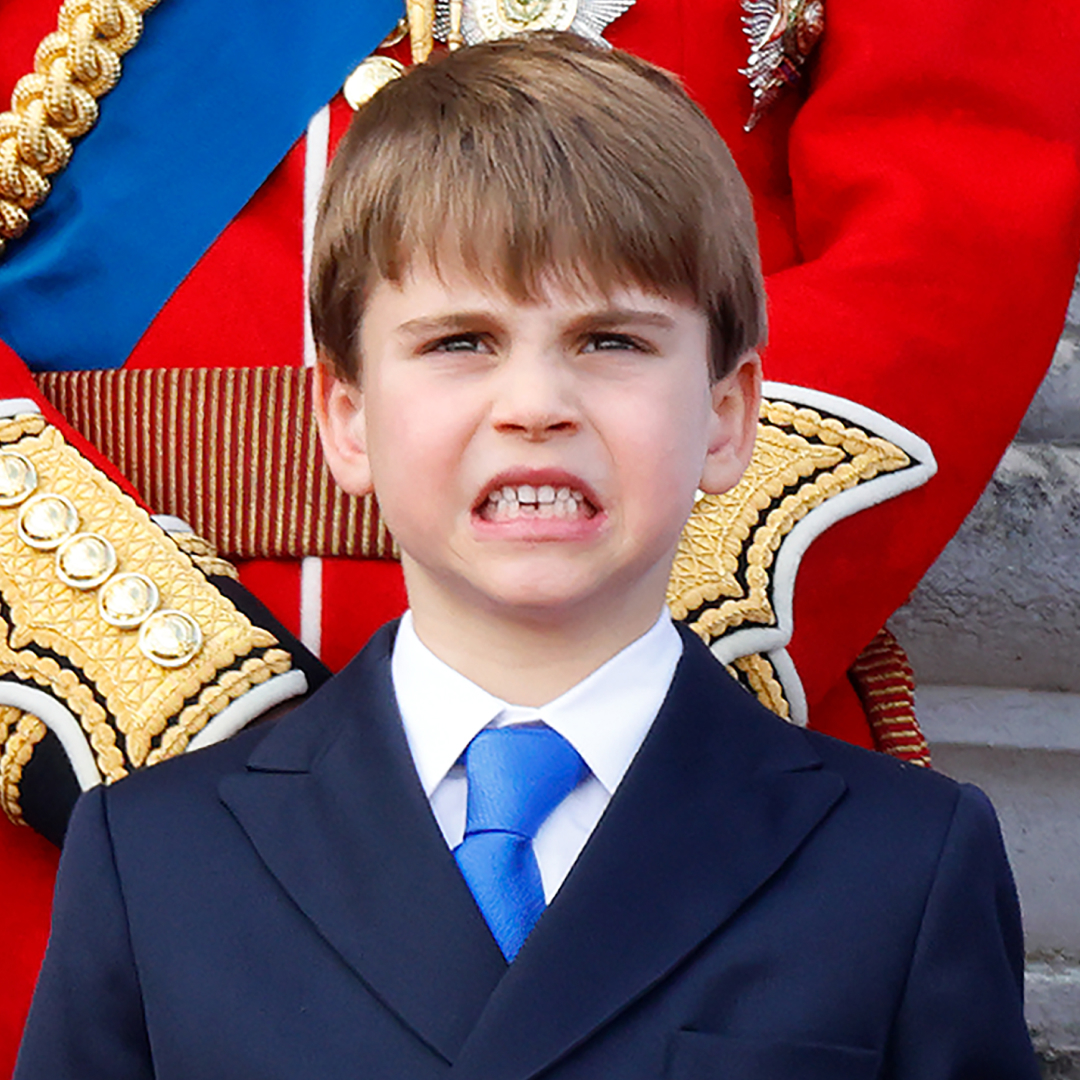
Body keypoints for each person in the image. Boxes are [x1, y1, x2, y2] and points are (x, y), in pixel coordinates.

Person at [15, 36, 1038, 1077]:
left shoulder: (901, 867)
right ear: (346, 420)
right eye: (460, 342)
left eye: (614, 342)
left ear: (730, 418)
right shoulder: (153, 860)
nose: (537, 408)